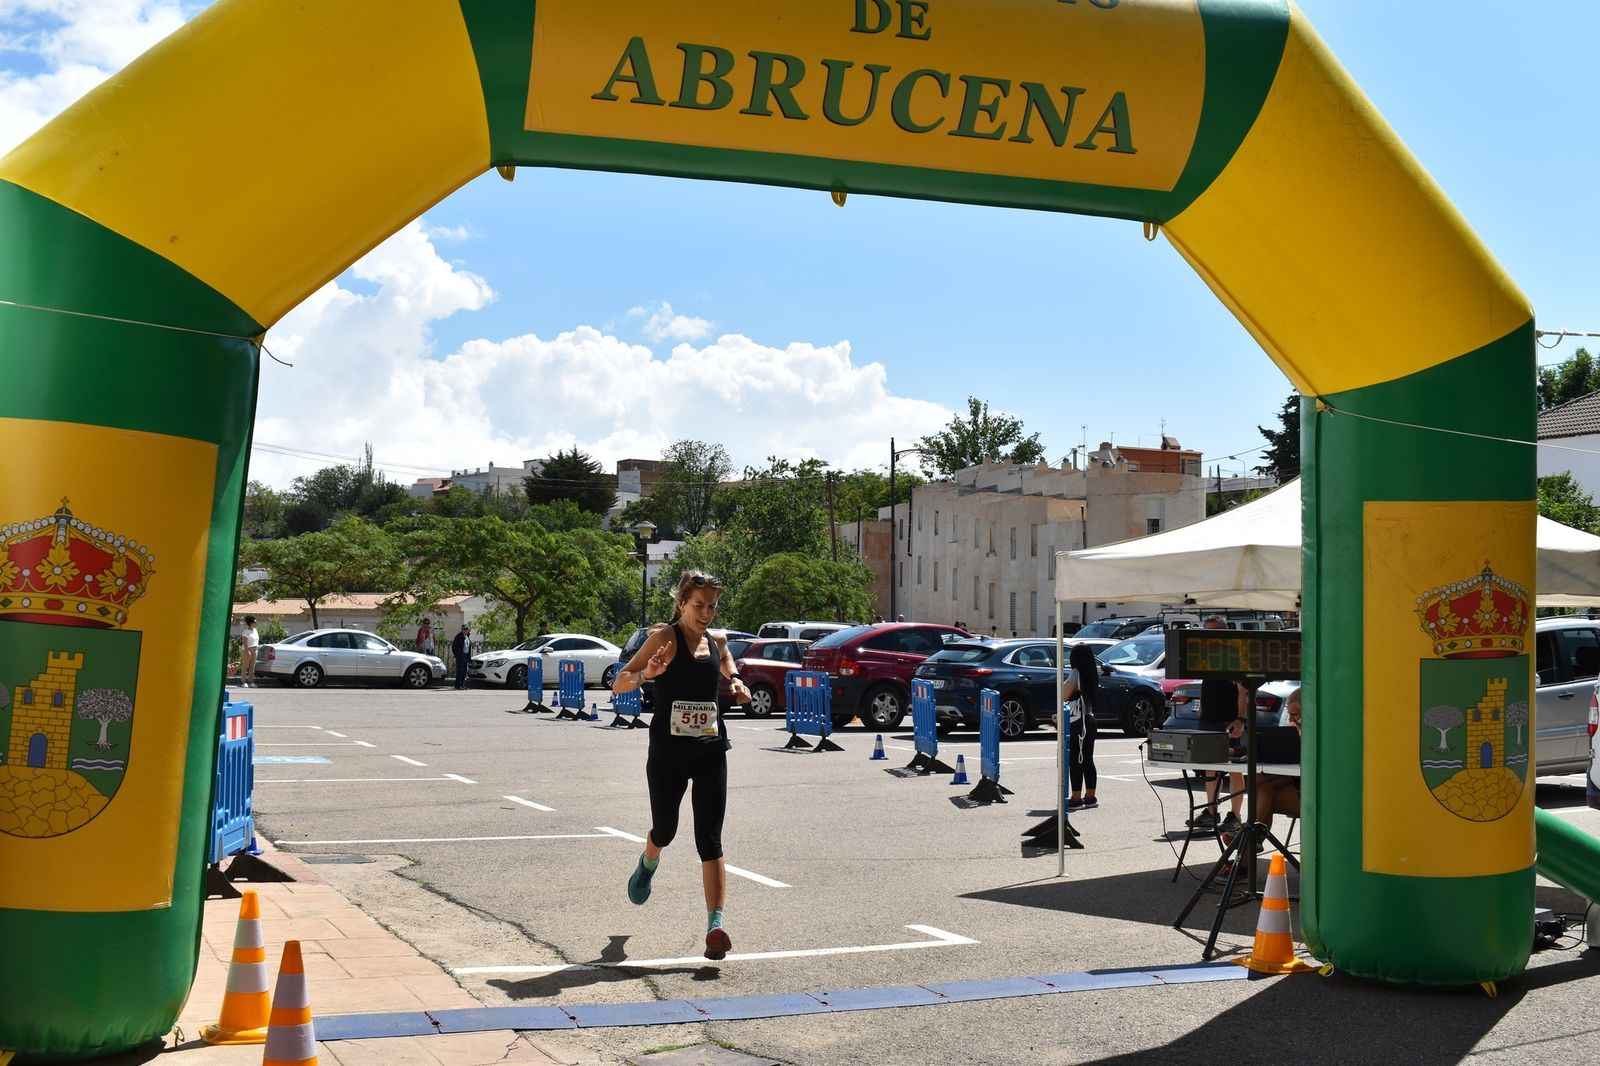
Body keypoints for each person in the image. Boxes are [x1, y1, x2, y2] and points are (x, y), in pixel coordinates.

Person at [612, 569, 751, 960]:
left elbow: (724, 656)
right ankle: (648, 861)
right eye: (698, 606)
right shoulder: (665, 640)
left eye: (711, 607)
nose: (706, 613)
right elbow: (619, 682)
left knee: (710, 839)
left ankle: (716, 926)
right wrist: (647, 674)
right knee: (667, 830)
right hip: (668, 754)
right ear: (681, 604)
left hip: (709, 750)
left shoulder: (717, 640)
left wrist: (736, 680)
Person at [1224, 687, 1302, 852]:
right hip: (1295, 783)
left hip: (1312, 790)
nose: (1292, 720)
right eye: (1290, 715)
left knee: (1262, 791)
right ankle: (1253, 837)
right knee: (1261, 784)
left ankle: (1249, 837)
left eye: (1296, 716)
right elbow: (1271, 748)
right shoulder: (1295, 729)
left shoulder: (1321, 731)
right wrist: (1236, 752)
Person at [1191, 617, 1249, 832]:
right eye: (1207, 631)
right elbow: (1206, 683)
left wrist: (1240, 720)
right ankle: (1210, 812)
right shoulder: (1206, 656)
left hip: (1230, 719)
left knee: (1234, 769)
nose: (1210, 635)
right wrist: (1202, 704)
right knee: (1211, 766)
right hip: (1209, 718)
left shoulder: (1234, 657)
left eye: (1215, 631)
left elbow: (1243, 692)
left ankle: (1235, 815)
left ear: (1226, 631)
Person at [1064, 641, 1100, 810]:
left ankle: (1076, 798)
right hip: (1090, 719)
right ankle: (1090, 796)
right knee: (1087, 759)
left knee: (1075, 760)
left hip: (1078, 722)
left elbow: (1064, 696)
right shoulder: (1092, 673)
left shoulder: (1075, 673)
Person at [239, 616, 260, 687]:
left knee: (252, 667)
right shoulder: (245, 632)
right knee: (245, 666)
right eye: (255, 622)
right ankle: (243, 682)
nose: (256, 623)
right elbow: (244, 643)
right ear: (250, 623)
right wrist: (247, 651)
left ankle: (251, 682)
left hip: (255, 650)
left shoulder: (255, 630)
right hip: (248, 649)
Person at [451, 624, 472, 690]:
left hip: (465, 655)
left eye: (466, 629)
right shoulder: (458, 636)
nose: (465, 630)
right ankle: (458, 685)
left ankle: (462, 685)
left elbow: (468, 647)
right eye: (464, 629)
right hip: (460, 655)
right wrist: (457, 655)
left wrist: (469, 657)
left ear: (468, 630)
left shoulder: (467, 637)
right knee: (460, 671)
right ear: (461, 629)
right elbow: (454, 647)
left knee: (464, 671)